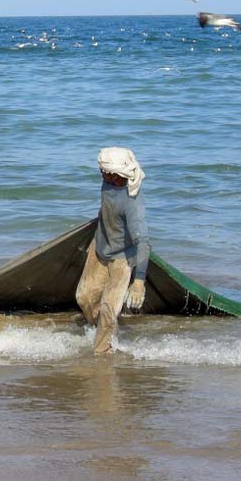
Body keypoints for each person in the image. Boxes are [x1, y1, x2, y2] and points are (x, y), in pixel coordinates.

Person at [75, 147, 150, 354]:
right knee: (84, 297)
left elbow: (143, 241)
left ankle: (102, 354)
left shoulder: (131, 202)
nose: (101, 174)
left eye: (103, 172)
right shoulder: (108, 182)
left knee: (109, 309)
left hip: (122, 258)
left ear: (115, 174)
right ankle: (102, 330)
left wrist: (139, 282)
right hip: (100, 246)